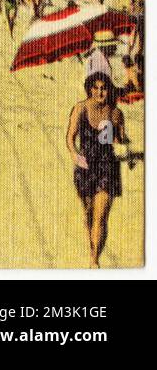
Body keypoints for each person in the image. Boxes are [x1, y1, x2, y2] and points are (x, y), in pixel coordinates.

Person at [67, 74, 129, 268]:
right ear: (90, 89)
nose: (100, 92)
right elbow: (70, 137)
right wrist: (75, 155)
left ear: (109, 90)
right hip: (85, 166)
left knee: (101, 216)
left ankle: (94, 260)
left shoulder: (116, 113)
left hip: (107, 166)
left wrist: (125, 147)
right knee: (88, 213)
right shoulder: (81, 108)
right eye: (96, 88)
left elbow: (119, 140)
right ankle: (92, 250)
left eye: (104, 88)